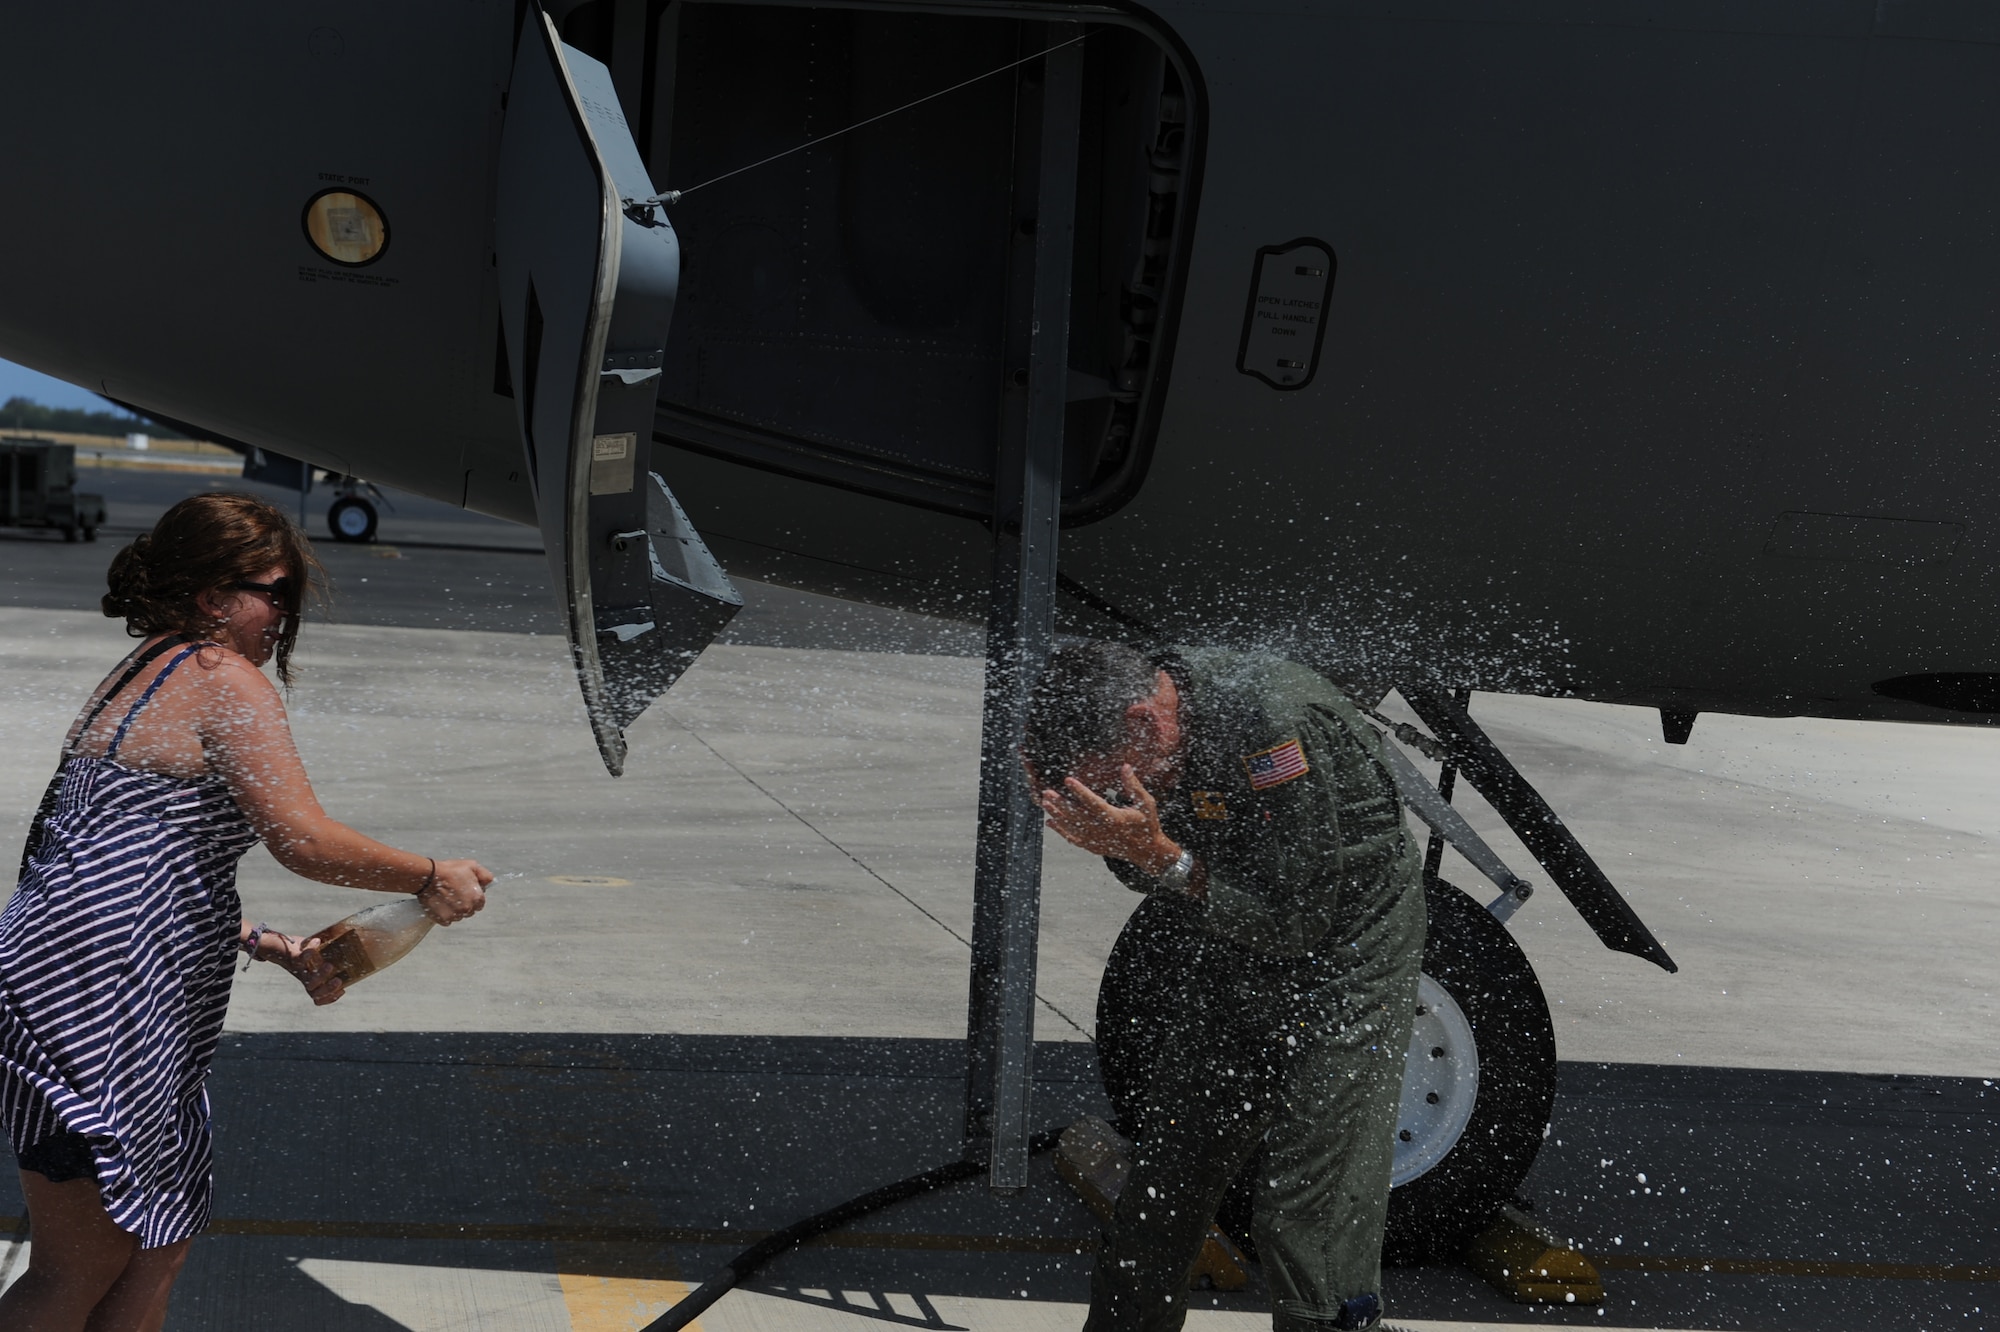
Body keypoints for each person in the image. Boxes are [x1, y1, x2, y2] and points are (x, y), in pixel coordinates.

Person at [0, 492, 493, 1331]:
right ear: (211, 596)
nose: (283, 615)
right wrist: (429, 875)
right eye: (273, 592)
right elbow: (301, 840)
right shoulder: (221, 678)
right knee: (81, 1265)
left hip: (101, 991)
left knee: (159, 1243)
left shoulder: (141, 671)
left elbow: (114, 867)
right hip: (96, 1009)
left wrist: (264, 941)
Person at [1025, 641, 1425, 1332]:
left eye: (1112, 786)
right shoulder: (1153, 734)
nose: (1117, 796)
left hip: (1344, 950)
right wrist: (1126, 846)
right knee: (1162, 1188)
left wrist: (1153, 853)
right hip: (1238, 928)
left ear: (1143, 722)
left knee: (1303, 1216)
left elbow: (1297, 921)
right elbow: (1169, 864)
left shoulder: (1271, 722)